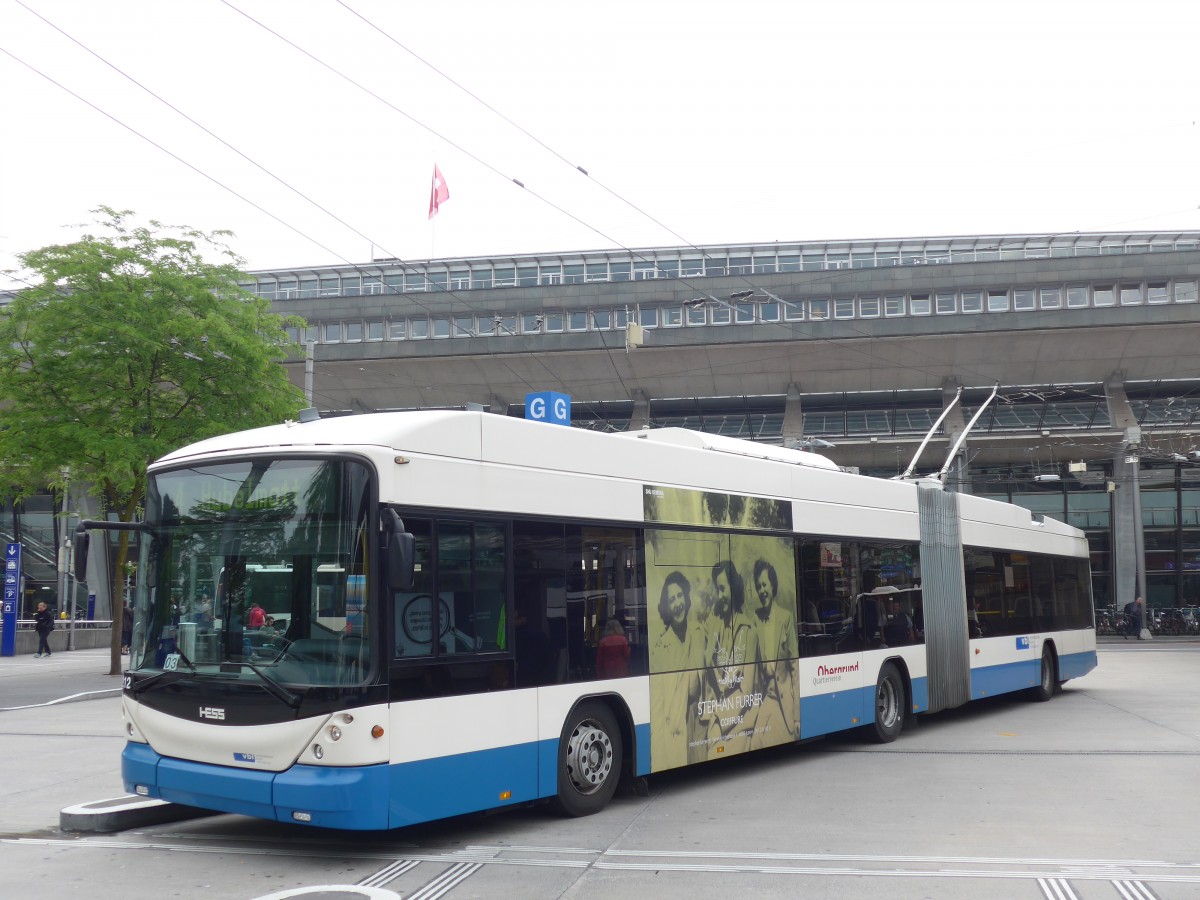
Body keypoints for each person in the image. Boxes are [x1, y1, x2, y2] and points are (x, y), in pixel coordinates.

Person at [650, 571, 706, 769]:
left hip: (699, 732)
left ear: (687, 598)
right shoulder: (660, 648)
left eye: (680, 595)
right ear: (667, 607)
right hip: (674, 738)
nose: (678, 603)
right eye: (672, 599)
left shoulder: (700, 635)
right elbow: (656, 711)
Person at [750, 559, 798, 746]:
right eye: (758, 586)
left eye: (764, 585)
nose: (761, 591)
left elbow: (794, 666)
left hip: (783, 700)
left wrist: (797, 716)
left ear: (772, 585)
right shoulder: (756, 618)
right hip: (765, 698)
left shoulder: (785, 617)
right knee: (755, 742)